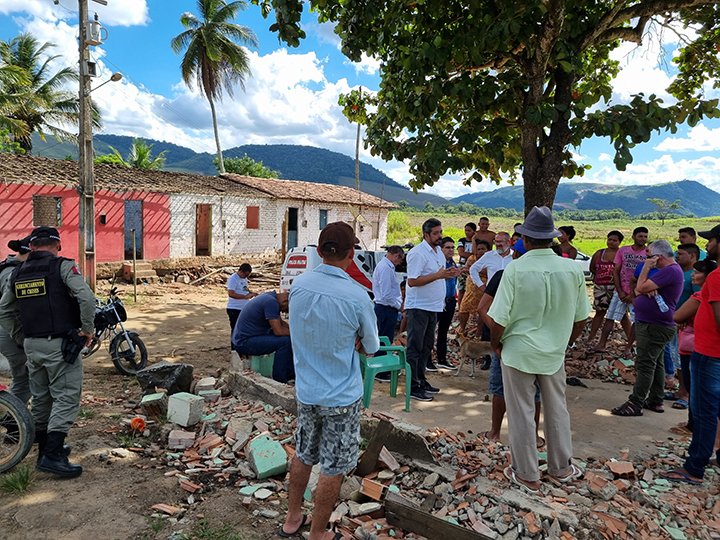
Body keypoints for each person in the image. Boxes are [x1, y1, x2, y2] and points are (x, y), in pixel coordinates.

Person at [282, 221, 379, 540]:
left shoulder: (299, 285)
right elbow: (372, 346)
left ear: (319, 250)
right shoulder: (357, 296)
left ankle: (292, 518)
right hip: (340, 396)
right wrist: (354, 340)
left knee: (304, 454)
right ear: (352, 252)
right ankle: (319, 532)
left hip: (307, 391)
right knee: (334, 467)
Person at [488, 207, 589, 493]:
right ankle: (562, 468)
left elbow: (499, 319)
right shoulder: (571, 268)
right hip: (554, 351)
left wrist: (496, 343)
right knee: (557, 409)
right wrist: (566, 341)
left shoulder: (515, 269)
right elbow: (582, 317)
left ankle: (527, 474)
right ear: (552, 238)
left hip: (518, 350)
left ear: (526, 240)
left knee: (520, 411)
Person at [0, 226, 96, 477]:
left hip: (32, 346)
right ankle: (53, 455)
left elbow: (5, 311)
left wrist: (22, 338)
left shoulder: (17, 271)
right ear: (58, 245)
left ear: (31, 247)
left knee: (41, 398)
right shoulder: (63, 266)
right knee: (66, 396)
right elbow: (86, 298)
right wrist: (87, 329)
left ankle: (45, 450)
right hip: (59, 345)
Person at [661, 224, 719, 486]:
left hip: (709, 353)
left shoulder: (716, 277)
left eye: (711, 241)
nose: (707, 246)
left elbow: (718, 318)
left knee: (704, 411)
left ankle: (695, 466)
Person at [612, 240, 684, 416]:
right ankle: (655, 398)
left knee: (645, 363)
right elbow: (643, 288)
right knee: (656, 362)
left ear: (657, 257)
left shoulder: (670, 271)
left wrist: (645, 269)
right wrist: (645, 287)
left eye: (649, 257)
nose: (647, 259)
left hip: (655, 325)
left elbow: (639, 288)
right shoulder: (667, 271)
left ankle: (635, 402)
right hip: (654, 323)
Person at [477, 269, 544, 447]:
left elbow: (483, 308)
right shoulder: (548, 274)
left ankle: (494, 433)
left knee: (500, 387)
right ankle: (534, 436)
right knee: (534, 388)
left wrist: (496, 340)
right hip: (538, 341)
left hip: (508, 341)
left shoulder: (506, 274)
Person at [405, 218, 461, 401]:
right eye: (436, 233)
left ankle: (421, 379)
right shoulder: (418, 253)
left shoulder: (438, 252)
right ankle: (412, 386)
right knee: (415, 347)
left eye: (440, 232)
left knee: (427, 346)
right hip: (419, 306)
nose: (440, 236)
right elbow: (412, 281)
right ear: (426, 234)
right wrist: (438, 275)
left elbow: (437, 277)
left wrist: (450, 274)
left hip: (433, 307)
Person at [670, 258, 718, 435]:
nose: (693, 275)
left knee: (694, 387)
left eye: (697, 273)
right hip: (694, 344)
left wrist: (681, 319)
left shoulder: (698, 297)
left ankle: (694, 426)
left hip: (694, 346)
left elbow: (677, 316)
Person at [594, 227, 649, 356]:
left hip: (638, 294)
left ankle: (628, 347)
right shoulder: (623, 251)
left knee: (636, 320)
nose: (643, 239)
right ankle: (601, 344)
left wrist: (633, 294)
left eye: (645, 236)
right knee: (610, 317)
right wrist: (619, 291)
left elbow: (648, 275)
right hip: (620, 291)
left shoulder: (648, 253)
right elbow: (616, 271)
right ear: (633, 237)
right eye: (640, 236)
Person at [231, 290, 294, 383]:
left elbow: (282, 324)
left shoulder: (271, 298)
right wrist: (296, 335)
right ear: (285, 301)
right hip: (244, 342)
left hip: (251, 336)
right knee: (284, 342)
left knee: (287, 338)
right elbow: (278, 331)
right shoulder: (271, 302)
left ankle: (291, 374)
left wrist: (294, 331)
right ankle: (280, 379)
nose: (283, 311)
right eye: (285, 309)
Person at [0, 236, 32, 406]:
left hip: (10, 330)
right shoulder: (12, 273)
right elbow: (6, 310)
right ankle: (14, 423)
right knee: (24, 380)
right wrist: (23, 340)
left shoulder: (9, 266)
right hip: (9, 332)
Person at [371, 246, 404, 382]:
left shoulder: (386, 266)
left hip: (387, 307)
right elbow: (386, 293)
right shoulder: (385, 267)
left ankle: (382, 368)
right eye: (399, 260)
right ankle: (380, 371)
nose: (399, 263)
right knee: (384, 339)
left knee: (385, 338)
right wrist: (399, 306)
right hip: (386, 307)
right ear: (396, 256)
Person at [587, 231, 623, 343]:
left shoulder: (621, 254)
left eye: (614, 240)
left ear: (620, 242)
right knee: (599, 312)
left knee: (621, 314)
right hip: (600, 288)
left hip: (617, 288)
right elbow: (592, 268)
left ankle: (630, 341)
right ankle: (591, 338)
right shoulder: (599, 253)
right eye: (609, 239)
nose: (611, 242)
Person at [434, 237, 459, 371]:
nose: (450, 250)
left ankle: (442, 359)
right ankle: (426, 360)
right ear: (441, 249)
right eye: (447, 247)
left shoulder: (453, 264)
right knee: (431, 331)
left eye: (452, 247)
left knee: (443, 331)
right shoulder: (438, 264)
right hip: (438, 301)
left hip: (450, 301)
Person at [457, 240, 491, 336]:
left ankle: (478, 333)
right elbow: (467, 269)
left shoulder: (491, 259)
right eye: (479, 249)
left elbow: (486, 271)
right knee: (464, 307)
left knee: (482, 309)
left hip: (484, 288)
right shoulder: (472, 258)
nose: (480, 251)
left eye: (483, 249)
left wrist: (475, 270)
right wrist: (477, 271)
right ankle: (462, 329)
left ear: (488, 250)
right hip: (472, 286)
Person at [226, 263, 257, 331]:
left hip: (243, 308)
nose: (245, 277)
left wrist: (252, 293)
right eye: (245, 275)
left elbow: (245, 289)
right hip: (235, 308)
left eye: (247, 276)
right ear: (241, 271)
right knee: (236, 329)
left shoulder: (244, 279)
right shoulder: (233, 279)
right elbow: (231, 294)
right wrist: (245, 296)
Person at [456, 223, 477, 305]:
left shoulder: (476, 242)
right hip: (463, 265)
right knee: (461, 288)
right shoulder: (462, 241)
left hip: (472, 266)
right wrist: (472, 256)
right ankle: (460, 307)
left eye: (469, 230)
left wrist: (473, 240)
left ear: (474, 232)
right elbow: (461, 253)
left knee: (470, 288)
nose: (467, 232)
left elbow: (476, 253)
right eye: (466, 230)